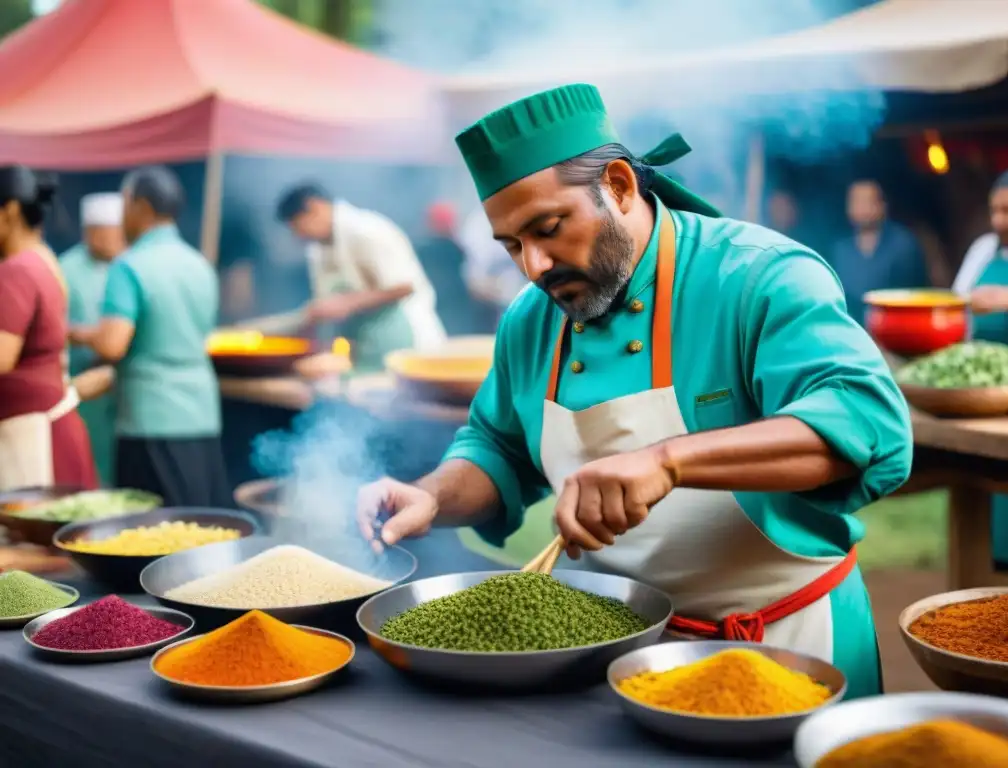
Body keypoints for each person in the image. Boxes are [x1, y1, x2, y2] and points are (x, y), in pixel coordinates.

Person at [356, 84, 913, 699]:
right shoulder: (530, 319)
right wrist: (431, 496)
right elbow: (498, 448)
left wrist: (668, 461)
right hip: (620, 662)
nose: (534, 267)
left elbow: (867, 425)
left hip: (790, 652)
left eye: (548, 228)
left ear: (619, 186)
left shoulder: (759, 278)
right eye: (512, 245)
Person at [71, 166, 229, 507]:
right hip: (201, 412)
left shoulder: (129, 266)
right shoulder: (199, 264)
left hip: (150, 418)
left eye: (125, 204)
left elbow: (113, 344)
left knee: (150, 530)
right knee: (199, 524)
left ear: (141, 206)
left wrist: (75, 334)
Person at [271, 184, 447, 371]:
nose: (298, 235)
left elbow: (404, 286)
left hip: (409, 339)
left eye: (298, 226)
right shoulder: (318, 249)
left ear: (316, 207)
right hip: (366, 345)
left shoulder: (366, 230)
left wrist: (347, 303)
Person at [0, 166, 97, 491]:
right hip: (46, 428)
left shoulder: (17, 271)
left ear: (10, 211)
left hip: (33, 439)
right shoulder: (44, 259)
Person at [952, 168, 1008, 581]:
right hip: (989, 394)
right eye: (995, 210)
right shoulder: (983, 249)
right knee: (1000, 495)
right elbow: (958, 304)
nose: (1000, 220)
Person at [60, 193, 125, 487]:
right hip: (82, 388)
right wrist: (88, 337)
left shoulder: (127, 265)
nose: (121, 241)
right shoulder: (65, 269)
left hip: (119, 388)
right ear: (93, 233)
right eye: (115, 234)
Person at [828, 180, 929, 326]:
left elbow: (916, 292)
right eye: (855, 202)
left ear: (882, 206)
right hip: (852, 329)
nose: (861, 208)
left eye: (867, 201)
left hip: (896, 328)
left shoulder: (903, 245)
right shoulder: (840, 250)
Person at [417, 202, 495, 335]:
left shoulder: (420, 250)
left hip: (433, 318)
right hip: (459, 315)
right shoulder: (456, 250)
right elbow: (472, 282)